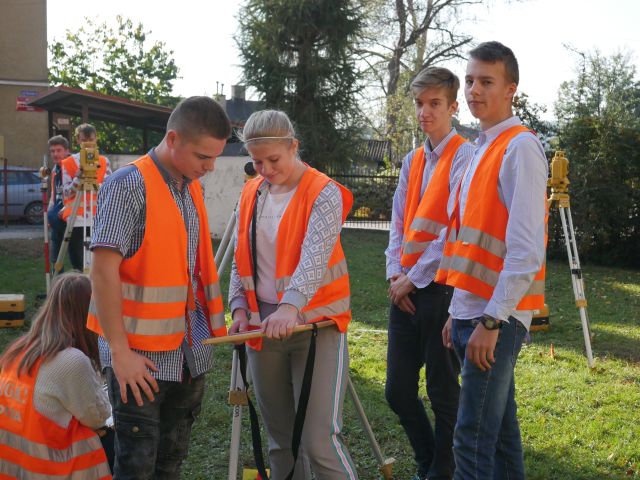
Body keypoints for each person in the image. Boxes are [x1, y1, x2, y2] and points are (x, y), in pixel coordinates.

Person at [87, 96, 230, 479]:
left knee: (169, 464)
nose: (211, 167)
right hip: (140, 361)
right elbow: (102, 273)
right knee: (136, 466)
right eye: (204, 157)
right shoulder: (127, 186)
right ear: (172, 139)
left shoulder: (190, 187)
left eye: (214, 158)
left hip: (187, 355)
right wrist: (120, 353)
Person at [438, 41, 547, 480]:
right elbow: (471, 243)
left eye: (486, 81)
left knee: (471, 438)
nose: (473, 90)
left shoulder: (520, 148)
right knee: (500, 436)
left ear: (511, 90)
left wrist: (491, 321)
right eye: (469, 81)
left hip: (494, 320)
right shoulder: (483, 146)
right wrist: (456, 311)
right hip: (471, 311)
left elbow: (525, 251)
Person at [229, 109, 358, 480]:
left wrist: (290, 307)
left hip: (316, 326)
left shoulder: (323, 192)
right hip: (261, 327)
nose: (265, 169)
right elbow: (242, 256)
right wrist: (239, 307)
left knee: (318, 441)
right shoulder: (252, 191)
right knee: (280, 440)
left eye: (273, 159)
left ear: (293, 147)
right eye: (257, 162)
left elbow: (314, 258)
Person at [384, 67, 473, 480]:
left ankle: (442, 471)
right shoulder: (412, 160)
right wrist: (393, 276)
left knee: (444, 393)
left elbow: (453, 233)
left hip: (442, 291)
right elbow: (399, 223)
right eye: (420, 103)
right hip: (405, 289)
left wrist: (413, 278)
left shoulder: (466, 157)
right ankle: (428, 461)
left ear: (453, 107)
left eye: (435, 103)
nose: (425, 111)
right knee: (398, 391)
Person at [0, 272, 112, 479]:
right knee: (115, 439)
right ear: (88, 314)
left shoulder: (20, 350)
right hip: (47, 468)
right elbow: (97, 417)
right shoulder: (71, 361)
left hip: (14, 467)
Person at [59, 123, 112, 271]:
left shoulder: (103, 161)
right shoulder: (68, 163)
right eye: (84, 140)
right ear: (77, 140)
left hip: (98, 218)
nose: (88, 143)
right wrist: (79, 178)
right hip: (76, 219)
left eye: (91, 139)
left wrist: (94, 182)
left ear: (96, 140)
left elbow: (109, 188)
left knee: (98, 262)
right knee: (78, 261)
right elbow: (66, 192)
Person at [47, 135, 70, 267]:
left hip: (72, 219)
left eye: (59, 150)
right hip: (57, 219)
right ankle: (57, 281)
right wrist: (50, 213)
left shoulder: (72, 166)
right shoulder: (55, 170)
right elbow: (54, 194)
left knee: (76, 256)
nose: (55, 154)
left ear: (66, 151)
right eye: (52, 151)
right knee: (56, 256)